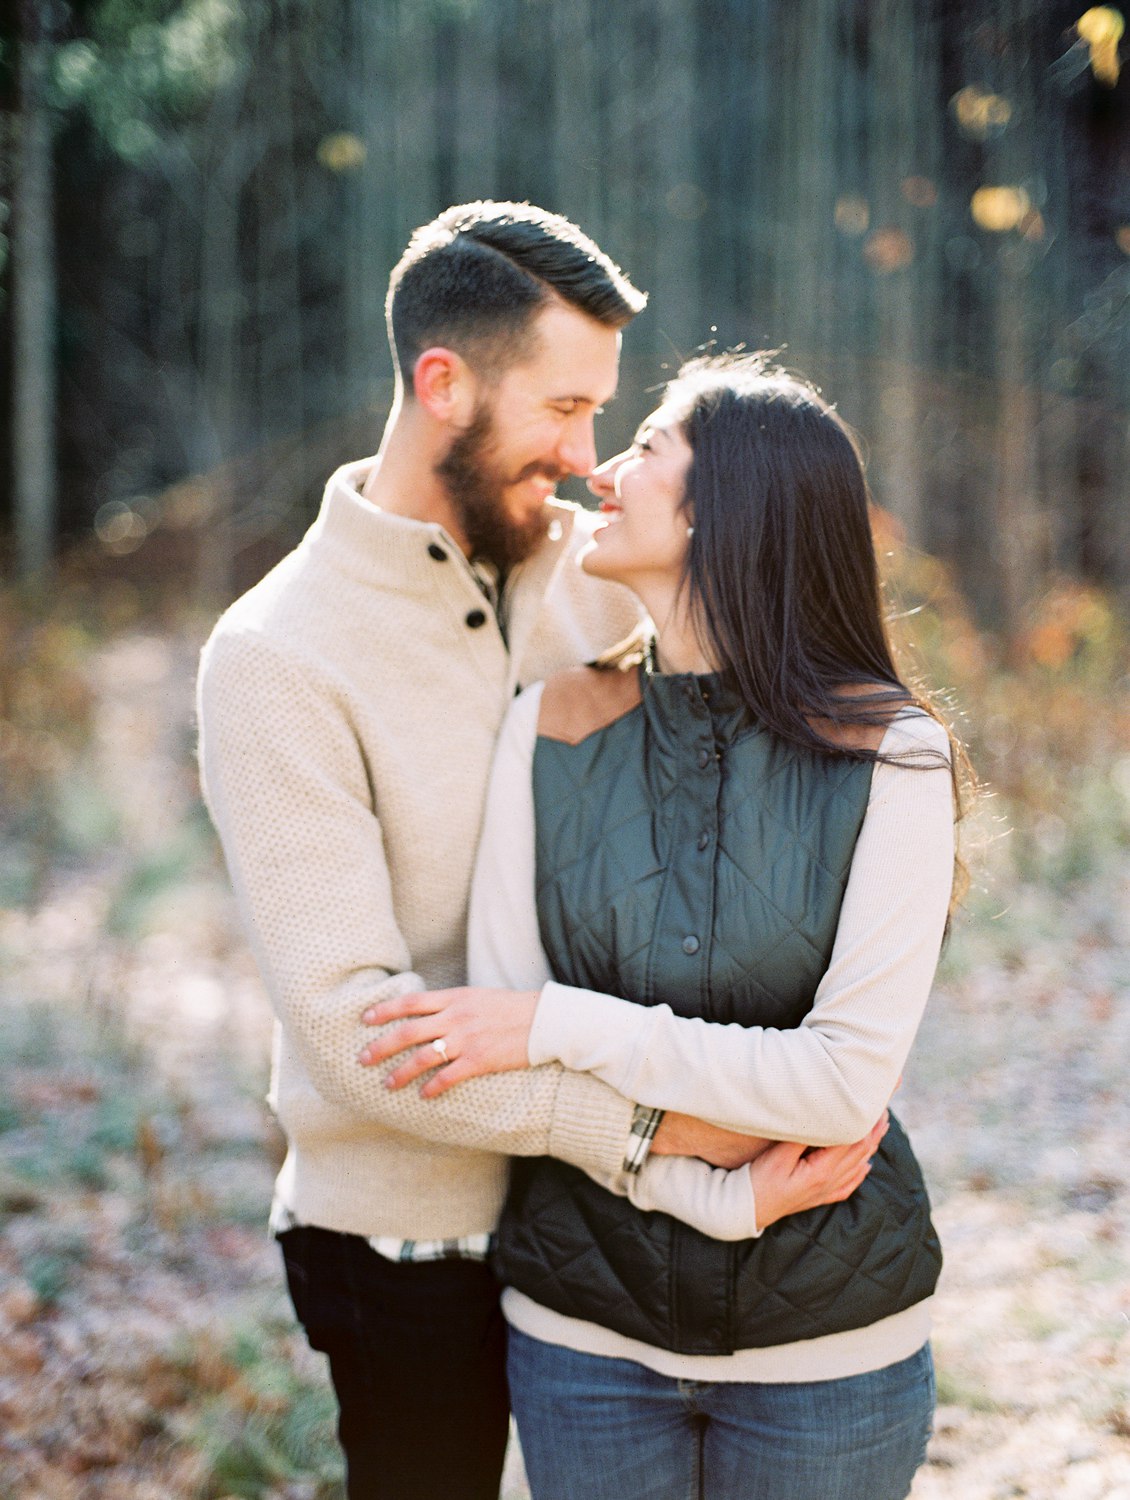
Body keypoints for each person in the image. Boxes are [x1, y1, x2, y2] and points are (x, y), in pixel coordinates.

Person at [197, 208, 877, 1500]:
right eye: (562, 410)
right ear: (441, 385)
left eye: (601, 415)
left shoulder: (599, 570)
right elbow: (358, 1033)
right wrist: (658, 1129)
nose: (584, 459)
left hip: (622, 1234)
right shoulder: (275, 657)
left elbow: (788, 662)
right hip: (414, 1237)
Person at [361, 354, 965, 1500]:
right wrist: (715, 1192)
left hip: (829, 1355)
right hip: (580, 1342)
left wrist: (556, 1023)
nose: (602, 471)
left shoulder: (894, 754)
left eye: (645, 448)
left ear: (725, 505)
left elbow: (838, 1088)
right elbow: (504, 1066)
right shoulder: (546, 723)